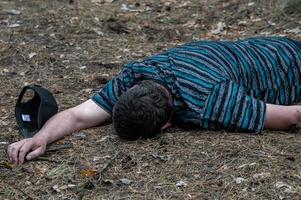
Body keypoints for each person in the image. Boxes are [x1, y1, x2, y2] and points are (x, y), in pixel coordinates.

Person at [7, 37, 301, 164]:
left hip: (292, 64)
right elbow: (78, 116)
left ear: (165, 127)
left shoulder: (210, 98)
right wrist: (41, 136)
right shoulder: (138, 74)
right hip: (263, 46)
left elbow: (290, 116)